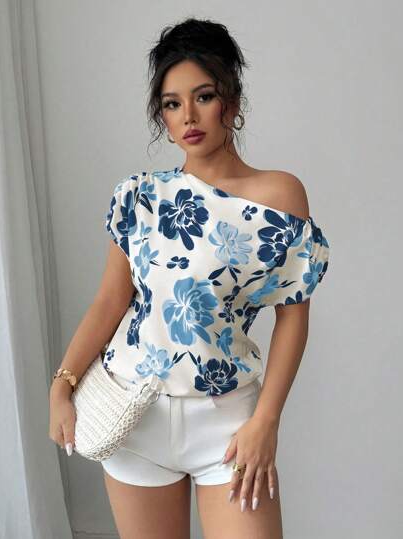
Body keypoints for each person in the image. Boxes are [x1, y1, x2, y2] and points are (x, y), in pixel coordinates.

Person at [49, 16, 330, 539]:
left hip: (228, 422)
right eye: (172, 104)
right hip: (135, 417)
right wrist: (61, 385)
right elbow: (111, 301)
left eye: (203, 96)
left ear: (232, 101)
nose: (189, 116)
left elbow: (293, 318)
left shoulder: (279, 196)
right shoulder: (139, 195)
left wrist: (266, 421)